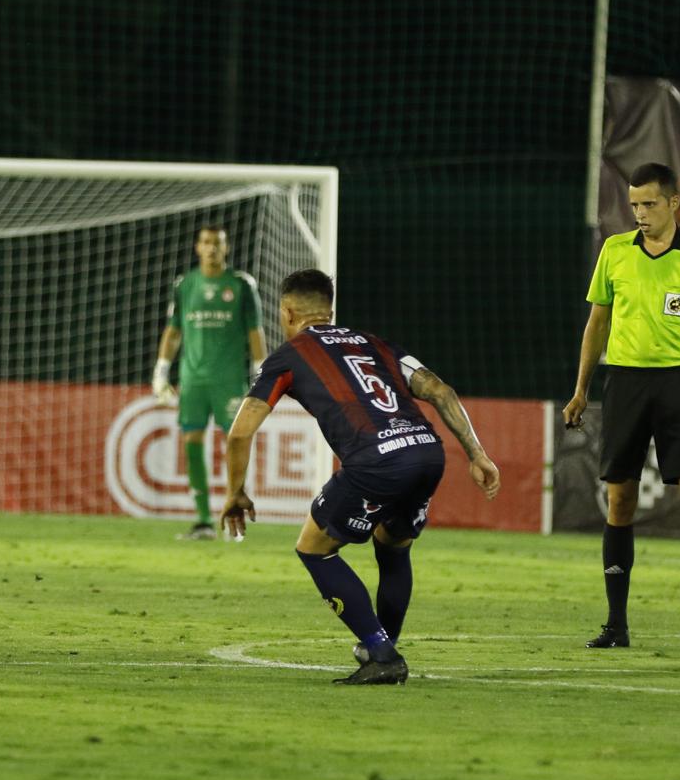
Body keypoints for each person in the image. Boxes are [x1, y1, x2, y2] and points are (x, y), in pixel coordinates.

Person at [221, 269, 501, 685]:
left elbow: (240, 431)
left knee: (314, 549)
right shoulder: (375, 343)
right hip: (427, 452)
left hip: (377, 461)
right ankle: (381, 645)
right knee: (393, 548)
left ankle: (382, 651)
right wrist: (477, 454)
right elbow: (440, 390)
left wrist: (235, 492)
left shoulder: (289, 355)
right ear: (330, 311)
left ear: (288, 312)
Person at [563, 162, 680, 651]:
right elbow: (596, 325)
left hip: (679, 388)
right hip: (623, 384)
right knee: (620, 501)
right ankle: (616, 625)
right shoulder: (614, 252)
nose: (640, 213)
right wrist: (582, 388)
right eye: (633, 205)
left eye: (648, 204)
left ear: (672, 204)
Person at [151, 225, 266, 540]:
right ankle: (203, 521)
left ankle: (235, 517)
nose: (211, 248)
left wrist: (262, 374)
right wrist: (161, 371)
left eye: (217, 243)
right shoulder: (185, 284)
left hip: (229, 381)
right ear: (196, 247)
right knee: (192, 443)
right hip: (193, 381)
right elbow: (174, 331)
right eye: (205, 242)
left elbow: (255, 332)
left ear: (225, 248)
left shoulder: (241, 285)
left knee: (236, 443)